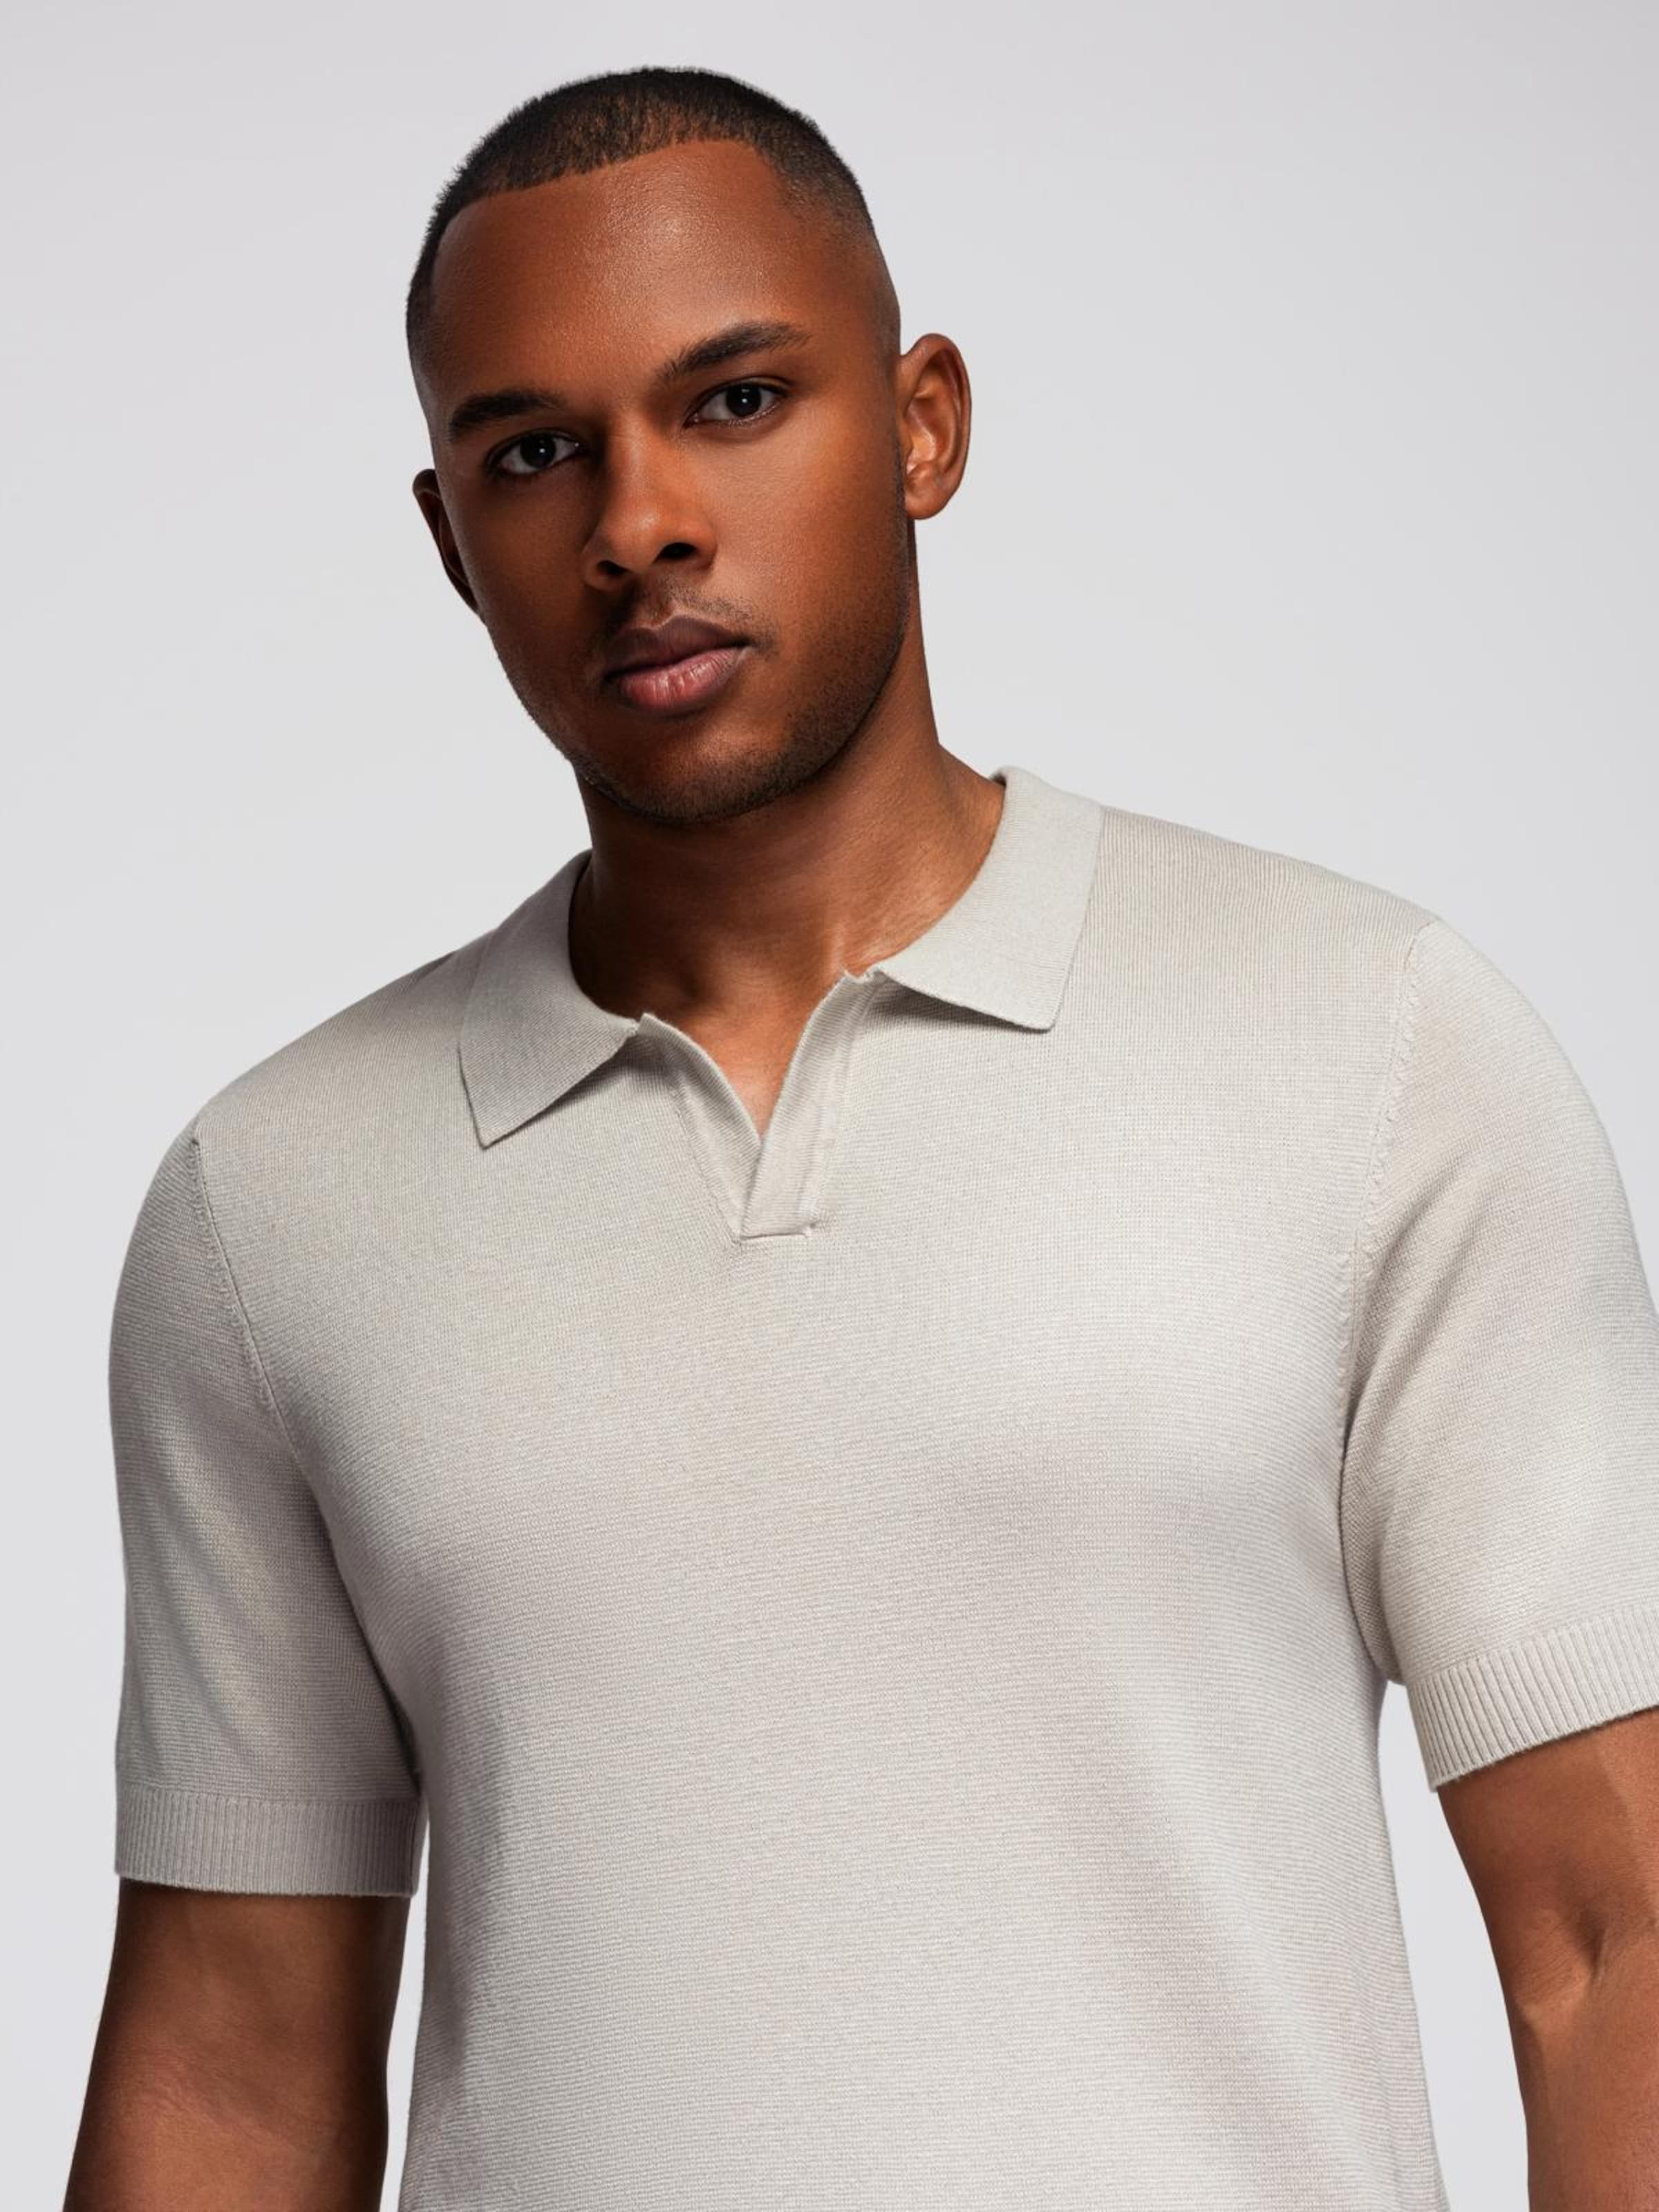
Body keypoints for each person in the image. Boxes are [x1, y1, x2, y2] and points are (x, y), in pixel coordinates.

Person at [66, 64, 1659, 2212]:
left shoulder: (1371, 1045)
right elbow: (232, 2075)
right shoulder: (274, 1210)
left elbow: (1614, 1942)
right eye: (535, 452)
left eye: (735, 401)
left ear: (924, 427)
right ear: (451, 542)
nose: (639, 524)